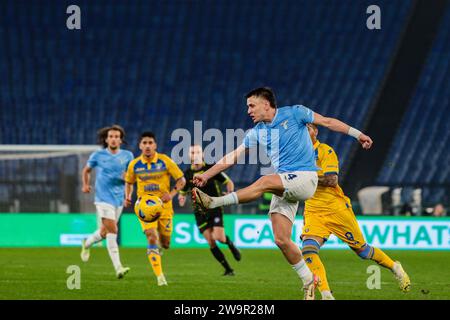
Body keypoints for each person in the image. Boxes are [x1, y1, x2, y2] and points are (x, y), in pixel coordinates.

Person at [192, 87, 373, 300]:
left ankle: (214, 202)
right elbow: (232, 157)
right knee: (281, 239)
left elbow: (328, 122)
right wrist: (206, 175)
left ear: (266, 104)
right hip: (286, 183)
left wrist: (358, 134)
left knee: (265, 181)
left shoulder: (295, 113)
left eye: (251, 105)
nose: (248, 111)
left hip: (306, 178)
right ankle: (309, 280)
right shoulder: (256, 132)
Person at [301, 123, 410, 300]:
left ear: (316, 131)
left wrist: (307, 177)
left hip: (336, 208)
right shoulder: (297, 154)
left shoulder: (325, 151)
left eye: (308, 129)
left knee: (363, 251)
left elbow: (331, 180)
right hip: (313, 210)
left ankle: (394, 267)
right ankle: (326, 294)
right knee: (308, 250)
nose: (304, 133)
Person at [124, 131, 186, 286]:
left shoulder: (165, 161)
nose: (147, 146)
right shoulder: (134, 165)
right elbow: (129, 182)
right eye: (144, 143)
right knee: (151, 236)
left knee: (165, 243)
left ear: (155, 145)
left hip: (164, 208)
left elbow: (182, 180)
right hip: (143, 208)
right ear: (140, 145)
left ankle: (160, 248)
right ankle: (160, 276)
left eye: (150, 143)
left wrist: (171, 194)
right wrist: (128, 196)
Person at [178, 144, 241, 276]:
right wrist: (181, 197)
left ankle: (229, 243)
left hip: (214, 208)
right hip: (199, 212)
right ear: (189, 155)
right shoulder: (187, 174)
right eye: (192, 152)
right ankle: (228, 269)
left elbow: (228, 182)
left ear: (202, 154)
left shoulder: (211, 169)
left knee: (219, 237)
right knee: (211, 242)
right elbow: (183, 191)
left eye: (197, 152)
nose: (195, 155)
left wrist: (229, 192)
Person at [80, 125, 134, 279]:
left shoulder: (128, 155)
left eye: (117, 136)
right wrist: (85, 184)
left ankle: (87, 242)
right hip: (103, 199)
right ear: (106, 139)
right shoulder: (98, 155)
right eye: (111, 136)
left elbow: (130, 178)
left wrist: (128, 194)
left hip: (118, 199)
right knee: (113, 231)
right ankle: (118, 268)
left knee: (104, 232)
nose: (114, 139)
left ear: (121, 140)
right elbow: (86, 170)